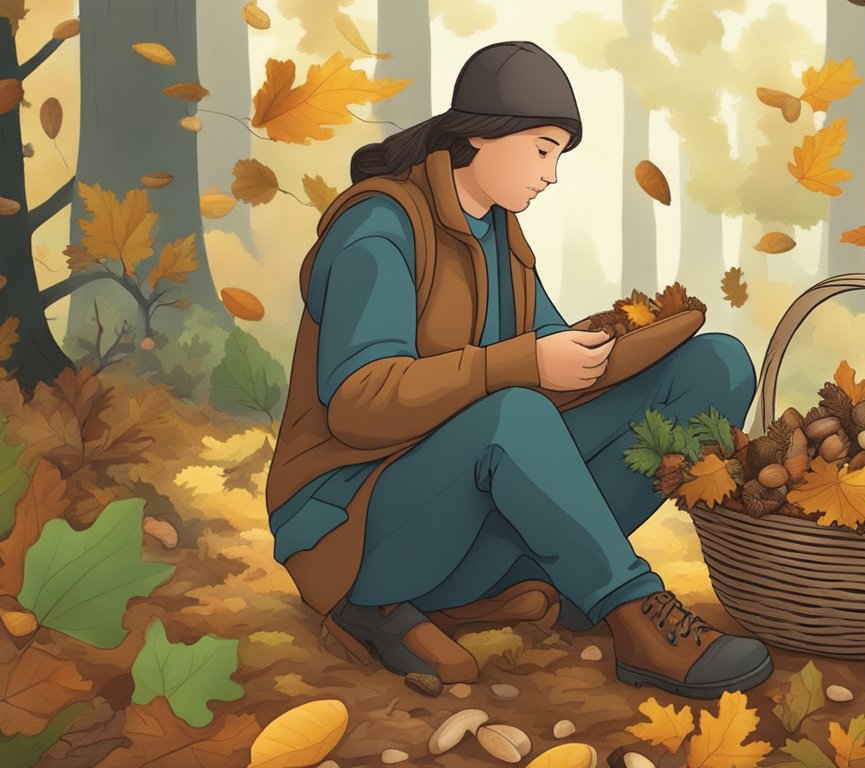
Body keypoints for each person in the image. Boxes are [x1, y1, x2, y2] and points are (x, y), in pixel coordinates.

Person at [265, 40, 773, 699]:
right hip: (358, 526)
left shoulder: (504, 237)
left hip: (467, 519)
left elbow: (547, 359)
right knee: (514, 412)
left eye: (558, 155)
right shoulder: (380, 229)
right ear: (480, 135)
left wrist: (622, 344)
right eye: (542, 149)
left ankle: (534, 580)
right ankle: (632, 612)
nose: (551, 174)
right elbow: (360, 404)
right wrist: (525, 362)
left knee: (718, 367)